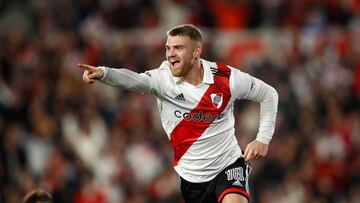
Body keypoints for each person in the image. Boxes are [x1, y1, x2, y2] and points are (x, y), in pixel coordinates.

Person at [78, 24, 278, 203]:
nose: (170, 54)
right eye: (168, 48)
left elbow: (269, 94)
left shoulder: (226, 78)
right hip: (192, 177)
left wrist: (263, 138)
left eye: (178, 48)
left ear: (196, 52)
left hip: (228, 164)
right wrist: (104, 73)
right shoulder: (163, 79)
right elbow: (134, 80)